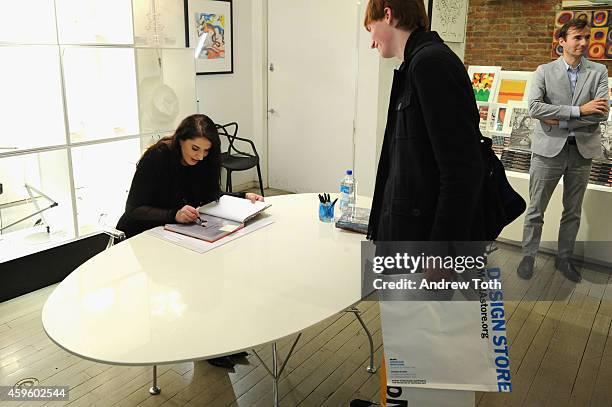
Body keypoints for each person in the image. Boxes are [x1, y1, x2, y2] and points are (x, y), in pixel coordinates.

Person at [117, 114, 263, 369]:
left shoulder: (206, 160)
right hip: (145, 232)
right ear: (180, 140)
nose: (200, 157)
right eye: (195, 148)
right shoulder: (157, 157)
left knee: (215, 273)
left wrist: (241, 197)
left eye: (206, 151)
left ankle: (215, 341)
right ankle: (206, 344)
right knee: (198, 278)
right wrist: (173, 214)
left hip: (179, 229)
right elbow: (134, 209)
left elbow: (212, 196)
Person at [364, 0, 485, 243]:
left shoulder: (431, 63)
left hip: (422, 238)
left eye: (371, 28)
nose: (371, 42)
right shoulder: (414, 65)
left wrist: (442, 253)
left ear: (388, 15)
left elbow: (461, 170)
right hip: (408, 230)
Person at [517, 19, 609, 282]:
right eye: (577, 37)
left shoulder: (598, 71)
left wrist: (557, 119)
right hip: (548, 151)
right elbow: (535, 108)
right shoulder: (544, 71)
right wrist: (579, 111)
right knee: (536, 208)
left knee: (573, 210)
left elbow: (601, 114)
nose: (584, 43)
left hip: (581, 151)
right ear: (562, 41)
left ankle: (564, 257)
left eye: (587, 37)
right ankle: (528, 256)